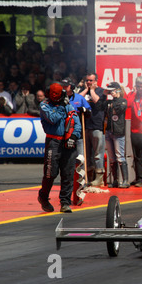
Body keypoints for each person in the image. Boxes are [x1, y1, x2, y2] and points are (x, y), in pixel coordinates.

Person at [38, 83, 81, 213]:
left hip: (68, 142)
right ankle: (43, 197)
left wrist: (73, 136)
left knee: (67, 173)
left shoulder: (68, 105)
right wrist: (61, 107)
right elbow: (53, 118)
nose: (56, 98)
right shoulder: (44, 105)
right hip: (53, 142)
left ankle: (65, 202)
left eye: (58, 96)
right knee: (50, 173)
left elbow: (76, 122)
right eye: (53, 96)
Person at [79, 73, 106, 186]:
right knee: (87, 154)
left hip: (96, 125)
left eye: (91, 80)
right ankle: (89, 177)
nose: (89, 82)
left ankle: (99, 179)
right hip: (85, 125)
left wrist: (92, 91)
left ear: (96, 81)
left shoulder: (101, 91)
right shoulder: (83, 90)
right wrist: (85, 90)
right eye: (87, 80)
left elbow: (98, 102)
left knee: (97, 154)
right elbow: (76, 99)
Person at [104, 82, 129, 188]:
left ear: (118, 90)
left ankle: (125, 181)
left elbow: (119, 109)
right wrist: (104, 95)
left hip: (118, 132)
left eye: (113, 90)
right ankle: (115, 180)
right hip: (109, 131)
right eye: (110, 90)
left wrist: (112, 104)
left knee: (120, 157)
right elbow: (101, 107)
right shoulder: (109, 102)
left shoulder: (123, 101)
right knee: (112, 158)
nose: (111, 92)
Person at [62, 77, 91, 158]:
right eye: (63, 86)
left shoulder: (79, 98)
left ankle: (81, 167)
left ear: (71, 87)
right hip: (64, 129)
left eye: (66, 86)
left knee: (80, 155)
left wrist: (84, 109)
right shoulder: (60, 98)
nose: (64, 88)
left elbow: (89, 112)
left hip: (77, 130)